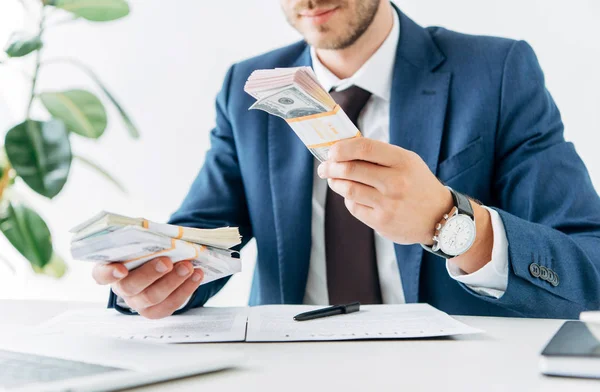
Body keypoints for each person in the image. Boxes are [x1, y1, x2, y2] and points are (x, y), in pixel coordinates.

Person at [92, 0, 600, 320]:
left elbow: (589, 264)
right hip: (289, 375)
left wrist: (449, 222)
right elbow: (205, 234)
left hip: (455, 376)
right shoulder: (247, 84)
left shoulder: (496, 71)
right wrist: (151, 279)